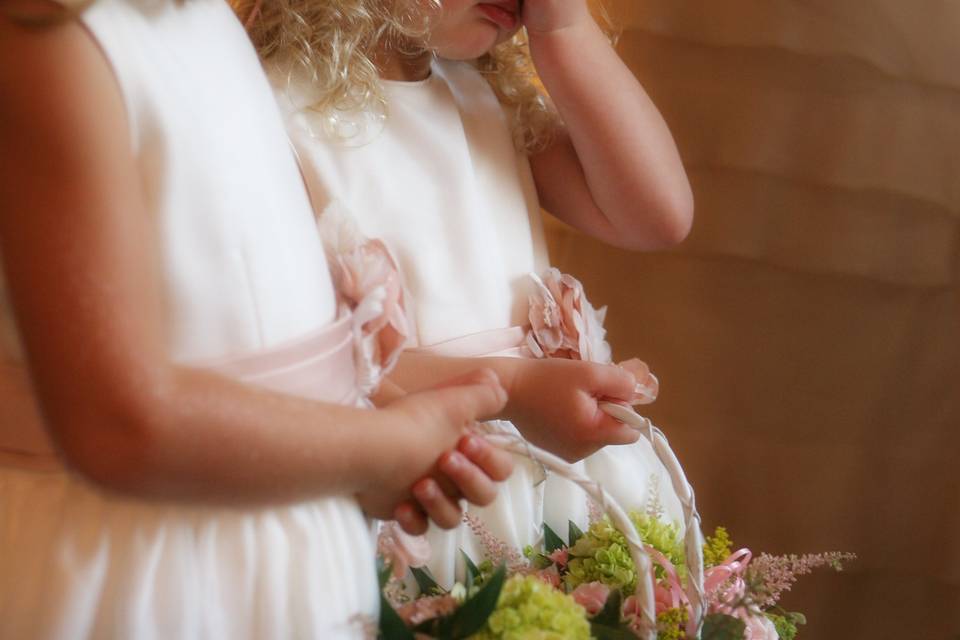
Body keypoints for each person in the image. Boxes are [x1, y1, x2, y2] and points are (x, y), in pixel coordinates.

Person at [0, 0, 515, 636]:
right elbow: (117, 424)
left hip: (282, 559)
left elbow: (258, 327)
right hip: (154, 578)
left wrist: (380, 429)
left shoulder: (209, 23)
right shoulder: (53, 43)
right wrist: (381, 449)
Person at [240, 0, 694, 587]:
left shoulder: (486, 94)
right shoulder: (276, 110)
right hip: (417, 485)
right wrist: (514, 390)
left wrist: (564, 30)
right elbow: (304, 367)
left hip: (555, 480)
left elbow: (657, 216)